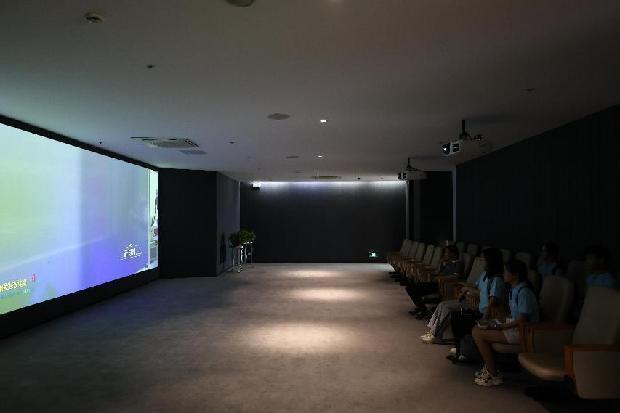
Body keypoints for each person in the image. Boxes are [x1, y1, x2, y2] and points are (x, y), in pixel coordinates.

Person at [471, 260, 540, 386]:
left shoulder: (524, 292)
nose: (503, 274)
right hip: (514, 326)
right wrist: (500, 318)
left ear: (515, 275)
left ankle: (493, 374)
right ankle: (490, 368)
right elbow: (514, 315)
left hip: (525, 332)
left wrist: (501, 326)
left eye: (506, 271)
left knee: (478, 334)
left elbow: (522, 320)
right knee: (478, 328)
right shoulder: (514, 289)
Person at [446, 248, 506, 361]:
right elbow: (478, 289)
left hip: (487, 316)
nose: (481, 261)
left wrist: (483, 320)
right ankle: (460, 350)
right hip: (479, 310)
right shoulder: (486, 275)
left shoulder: (497, 280)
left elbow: (492, 303)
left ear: (490, 261)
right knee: (456, 317)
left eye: (483, 259)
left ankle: (462, 352)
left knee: (460, 320)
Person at [407, 245, 464, 318]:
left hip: (444, 285)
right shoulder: (448, 262)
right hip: (437, 283)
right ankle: (421, 308)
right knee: (410, 288)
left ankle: (423, 309)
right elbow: (438, 272)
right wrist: (441, 263)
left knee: (412, 289)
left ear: (453, 253)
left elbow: (456, 276)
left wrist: (441, 278)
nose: (445, 254)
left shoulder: (459, 263)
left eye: (446, 252)